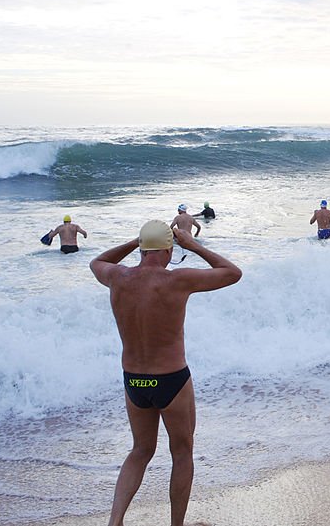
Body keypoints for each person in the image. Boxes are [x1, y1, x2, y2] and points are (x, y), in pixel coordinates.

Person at [89, 221, 241, 526]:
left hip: (135, 381)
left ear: (143, 248)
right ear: (171, 249)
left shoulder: (118, 277)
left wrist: (135, 242)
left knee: (141, 450)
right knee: (182, 452)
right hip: (170, 379)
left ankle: (115, 521)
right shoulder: (178, 280)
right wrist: (193, 245)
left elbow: (97, 262)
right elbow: (232, 273)